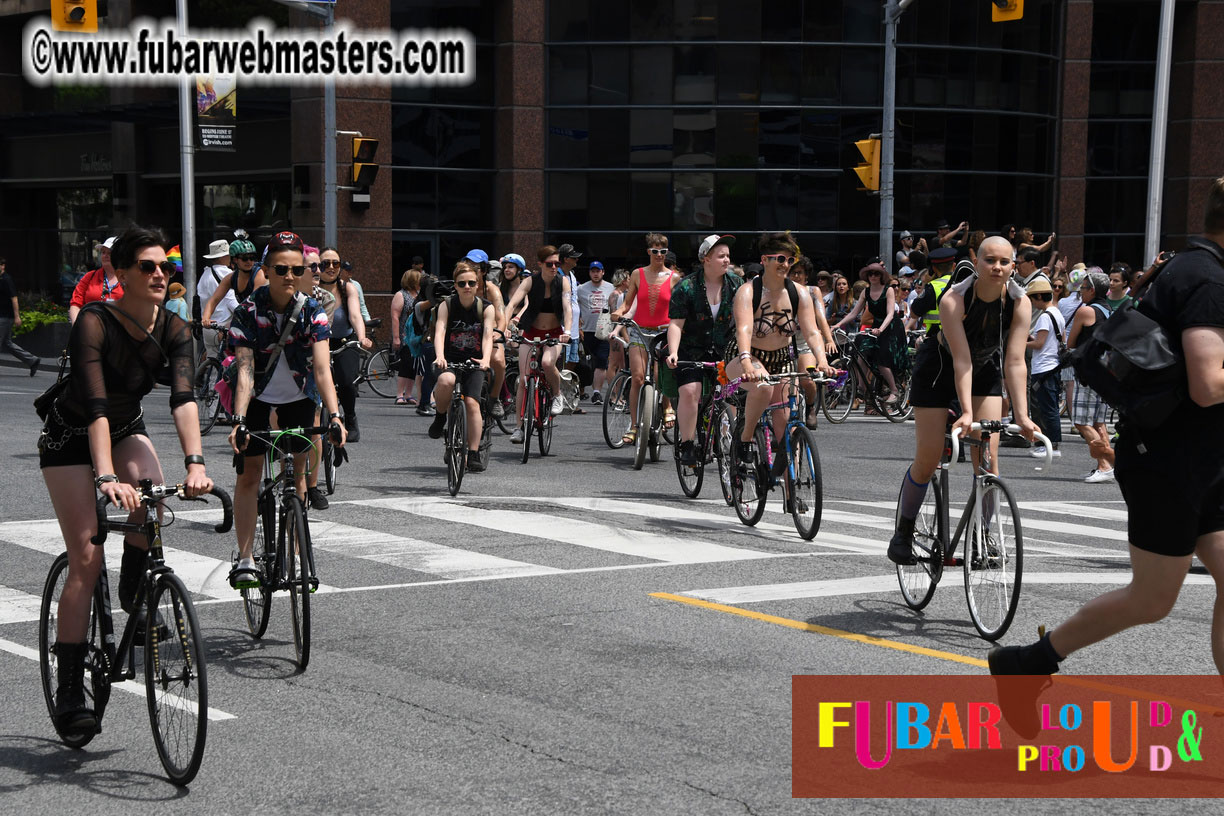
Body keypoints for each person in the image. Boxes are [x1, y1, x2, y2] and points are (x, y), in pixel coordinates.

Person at [990, 177, 1224, 677]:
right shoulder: (1207, 279)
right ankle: (1030, 662)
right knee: (1152, 598)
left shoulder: (1198, 267)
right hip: (1168, 460)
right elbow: (1208, 383)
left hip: (1205, 457)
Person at [40, 225, 212, 735]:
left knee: (154, 500)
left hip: (125, 426)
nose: (160, 274)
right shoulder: (94, 321)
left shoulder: (176, 329)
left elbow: (182, 399)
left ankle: (136, 594)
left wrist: (196, 463)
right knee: (87, 559)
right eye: (148, 267)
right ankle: (71, 687)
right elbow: (94, 405)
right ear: (121, 271)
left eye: (167, 267)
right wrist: (107, 477)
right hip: (71, 436)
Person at [887, 236, 1039, 565]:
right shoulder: (954, 299)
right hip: (939, 367)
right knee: (928, 458)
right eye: (989, 260)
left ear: (1013, 265)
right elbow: (961, 361)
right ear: (977, 262)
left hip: (984, 368)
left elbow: (1014, 362)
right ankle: (903, 532)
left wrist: (1024, 416)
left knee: (987, 458)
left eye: (1004, 261)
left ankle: (982, 537)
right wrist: (967, 412)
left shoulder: (1019, 302)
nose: (997, 267)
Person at [227, 231, 346, 588]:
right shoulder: (247, 313)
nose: (289, 277)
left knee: (298, 479)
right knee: (249, 476)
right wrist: (239, 420)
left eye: (297, 270)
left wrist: (335, 416)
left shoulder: (312, 311)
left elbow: (323, 369)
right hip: (258, 399)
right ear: (266, 269)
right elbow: (245, 371)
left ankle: (295, 556)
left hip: (300, 397)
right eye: (281, 269)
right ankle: (245, 558)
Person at [724, 232, 834, 467]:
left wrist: (822, 360)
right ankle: (744, 440)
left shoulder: (799, 293)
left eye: (790, 260)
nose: (786, 265)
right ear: (764, 260)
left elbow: (812, 332)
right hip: (746, 355)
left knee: (785, 427)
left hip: (781, 358)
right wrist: (745, 363)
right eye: (780, 259)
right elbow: (743, 330)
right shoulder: (748, 291)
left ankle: (790, 499)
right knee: (762, 388)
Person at [665, 234, 743, 465]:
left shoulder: (736, 285)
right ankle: (688, 443)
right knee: (690, 391)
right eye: (721, 256)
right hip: (692, 350)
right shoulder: (686, 287)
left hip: (724, 349)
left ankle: (731, 437)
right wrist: (674, 352)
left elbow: (744, 322)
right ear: (705, 259)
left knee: (734, 392)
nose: (727, 260)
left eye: (728, 255)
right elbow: (676, 324)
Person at [609, 232, 682, 443]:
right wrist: (618, 314)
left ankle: (667, 405)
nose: (659, 255)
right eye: (655, 251)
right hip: (639, 330)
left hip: (663, 331)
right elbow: (627, 303)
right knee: (638, 378)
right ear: (648, 251)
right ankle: (634, 425)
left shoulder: (674, 277)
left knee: (660, 375)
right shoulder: (637, 274)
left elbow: (679, 307)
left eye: (663, 251)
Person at [427, 260, 495, 473]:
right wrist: (440, 355)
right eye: (462, 283)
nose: (467, 287)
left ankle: (473, 452)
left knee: (473, 403)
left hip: (474, 362)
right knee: (446, 380)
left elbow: (486, 335)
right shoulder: (446, 305)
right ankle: (440, 417)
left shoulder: (486, 307)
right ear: (455, 285)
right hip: (449, 359)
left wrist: (485, 359)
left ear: (478, 285)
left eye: (471, 283)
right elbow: (440, 330)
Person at [505, 245, 573, 442]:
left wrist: (567, 331)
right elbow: (511, 305)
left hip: (554, 334)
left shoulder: (563, 282)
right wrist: (504, 328)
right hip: (531, 332)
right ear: (540, 264)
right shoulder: (530, 282)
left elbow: (567, 308)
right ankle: (518, 427)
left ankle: (557, 394)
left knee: (546, 363)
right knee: (524, 380)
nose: (554, 267)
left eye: (557, 264)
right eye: (550, 264)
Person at [316, 246, 373, 442]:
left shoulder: (347, 287)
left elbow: (355, 315)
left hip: (344, 341)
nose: (331, 267)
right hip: (319, 341)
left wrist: (361, 337)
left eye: (336, 263)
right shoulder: (312, 287)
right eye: (326, 263)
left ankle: (350, 418)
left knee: (347, 382)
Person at [832, 263, 907, 406]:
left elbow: (891, 313)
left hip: (891, 326)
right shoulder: (865, 292)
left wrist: (881, 329)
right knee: (861, 351)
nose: (873, 276)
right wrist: (837, 325)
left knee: (881, 358)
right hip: (876, 326)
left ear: (881, 276)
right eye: (870, 274)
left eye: (876, 274)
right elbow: (854, 313)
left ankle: (894, 390)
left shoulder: (888, 290)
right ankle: (861, 387)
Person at [1067, 269, 1115, 483]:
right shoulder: (1110, 310)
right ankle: (1106, 467)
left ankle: (1106, 463)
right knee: (1099, 422)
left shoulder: (1086, 311)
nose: (1081, 292)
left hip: (1087, 371)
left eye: (1083, 288)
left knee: (1080, 422)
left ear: (1092, 290)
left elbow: (1070, 343)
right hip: (1106, 371)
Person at [788, 255, 837, 426]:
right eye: (792, 273)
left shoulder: (812, 291)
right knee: (788, 385)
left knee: (807, 380)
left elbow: (821, 317)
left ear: (806, 275)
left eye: (799, 273)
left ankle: (810, 407)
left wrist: (829, 339)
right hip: (785, 343)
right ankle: (788, 420)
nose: (795, 276)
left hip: (806, 342)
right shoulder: (781, 291)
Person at [1024, 276, 1065, 458]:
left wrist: (1021, 343)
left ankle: (1052, 446)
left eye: (1033, 298)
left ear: (1039, 296)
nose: (1032, 302)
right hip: (1053, 365)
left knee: (1046, 408)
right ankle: (1051, 444)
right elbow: (1057, 340)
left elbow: (1039, 343)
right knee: (1051, 407)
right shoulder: (1057, 313)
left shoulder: (1044, 317)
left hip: (1043, 367)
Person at [201, 236, 267, 329]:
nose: (249, 261)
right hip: (248, 320)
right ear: (235, 259)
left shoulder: (259, 275)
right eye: (245, 258)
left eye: (252, 258)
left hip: (263, 319)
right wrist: (205, 318)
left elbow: (254, 303)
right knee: (223, 336)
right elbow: (213, 300)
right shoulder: (231, 277)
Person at [577, 260, 614, 404]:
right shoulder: (581, 289)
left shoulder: (610, 288)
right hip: (586, 330)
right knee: (587, 363)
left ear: (603, 272)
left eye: (598, 271)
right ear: (589, 273)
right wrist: (578, 326)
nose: (595, 274)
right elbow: (575, 307)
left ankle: (597, 393)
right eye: (593, 271)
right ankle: (581, 389)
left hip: (604, 330)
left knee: (602, 361)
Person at [0, 256, 41, 374]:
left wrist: (17, 316)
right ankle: (32, 360)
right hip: (3, 316)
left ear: (3, 266)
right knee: (8, 344)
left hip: (5, 317)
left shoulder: (7, 280)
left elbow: (14, 299)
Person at [68, 237, 122, 323]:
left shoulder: (129, 278)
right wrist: (78, 327)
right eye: (103, 252)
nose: (105, 255)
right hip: (92, 330)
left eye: (110, 252)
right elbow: (75, 304)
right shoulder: (90, 276)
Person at [195, 239, 233, 356]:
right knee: (230, 363)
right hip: (223, 327)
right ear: (223, 257)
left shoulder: (204, 275)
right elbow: (231, 302)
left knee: (212, 362)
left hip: (207, 326)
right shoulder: (228, 274)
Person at [391, 268, 422, 405]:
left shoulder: (420, 294)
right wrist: (396, 337)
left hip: (417, 336)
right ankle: (399, 394)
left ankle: (409, 394)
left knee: (414, 366)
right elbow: (395, 317)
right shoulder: (401, 295)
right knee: (406, 364)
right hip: (405, 335)